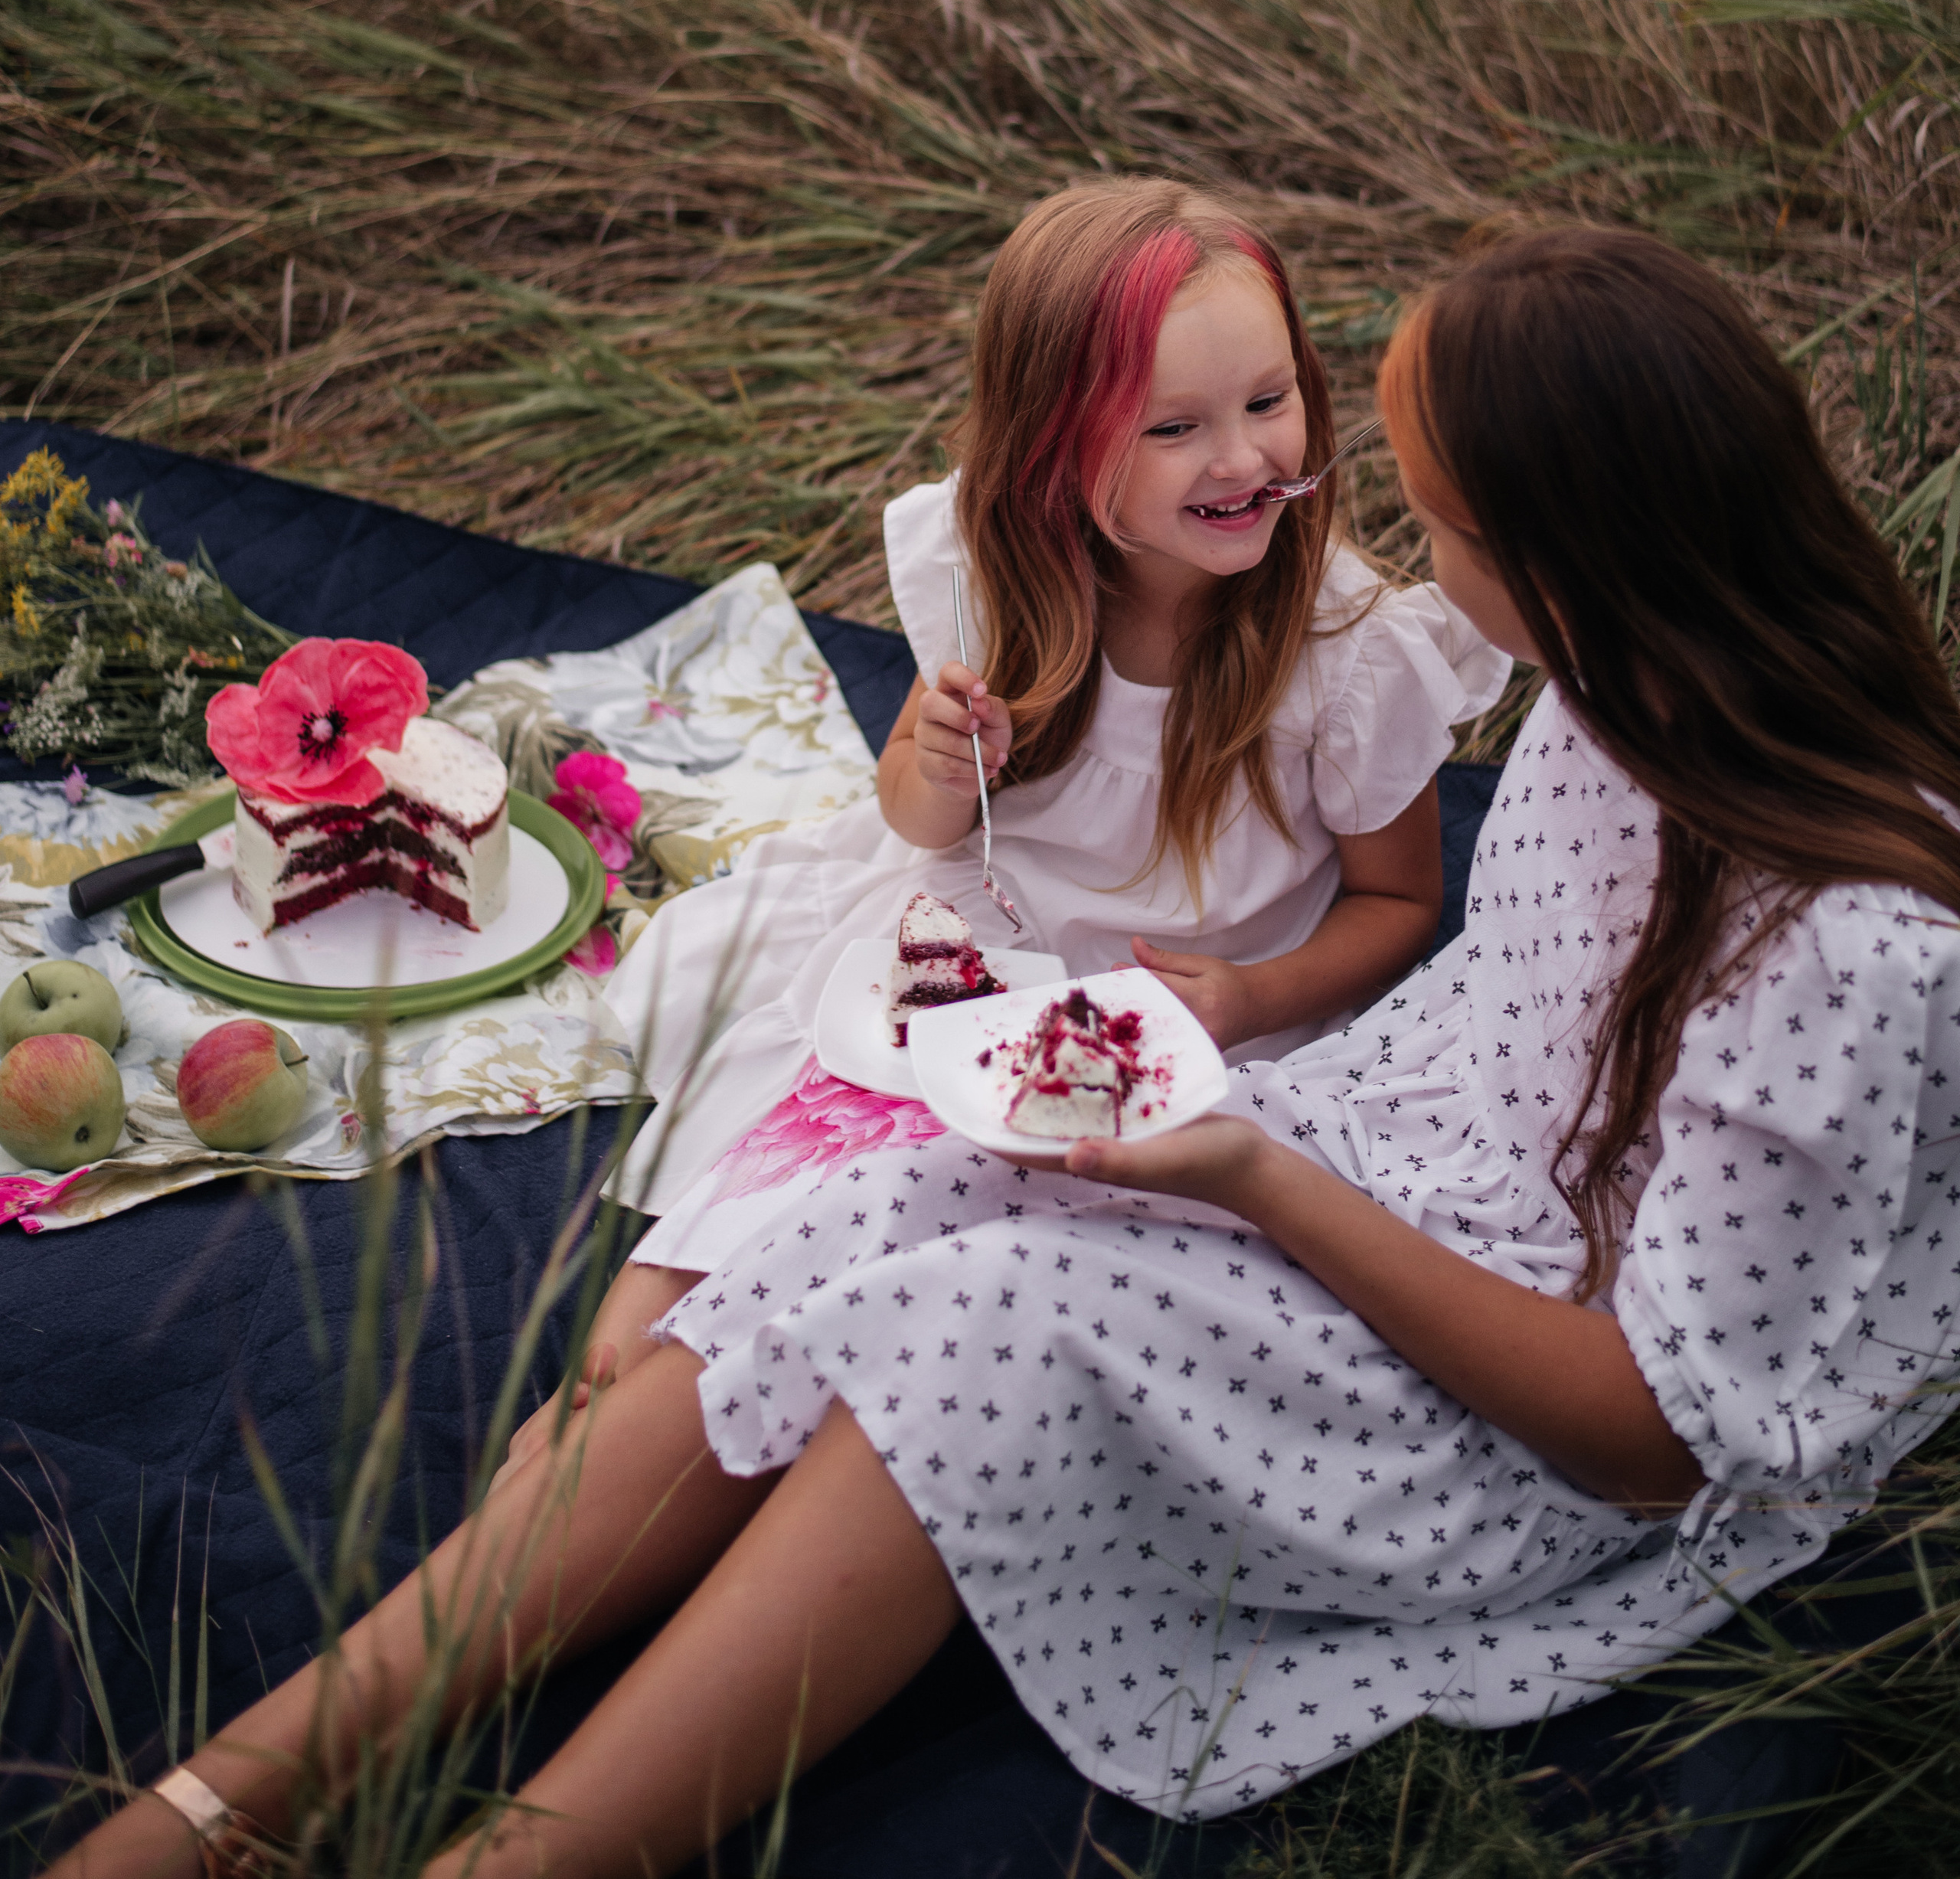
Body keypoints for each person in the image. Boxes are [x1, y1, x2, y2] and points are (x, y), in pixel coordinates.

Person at [63, 224, 1960, 1879]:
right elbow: (1489, 1035)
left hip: (1517, 1395)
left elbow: (1645, 1442)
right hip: (1403, 1158)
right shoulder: (1615, 691)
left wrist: (1249, 1172)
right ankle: (245, 1788)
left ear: (1554, 561)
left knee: (990, 1331)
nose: (1365, 528)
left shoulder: (1854, 953)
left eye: (1429, 516)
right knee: (916, 1181)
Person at [572, 176, 1505, 1417]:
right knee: (735, 1226)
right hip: (975, 960)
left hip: (1188, 1016)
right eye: (1174, 427)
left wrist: (1254, 996)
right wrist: (938, 768)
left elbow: (1399, 902)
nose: (1243, 457)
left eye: (1268, 401)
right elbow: (914, 820)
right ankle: (603, 1409)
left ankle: (757, 1420)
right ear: (1056, 443)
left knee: (938, 1270)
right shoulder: (1002, 570)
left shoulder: (1345, 653)